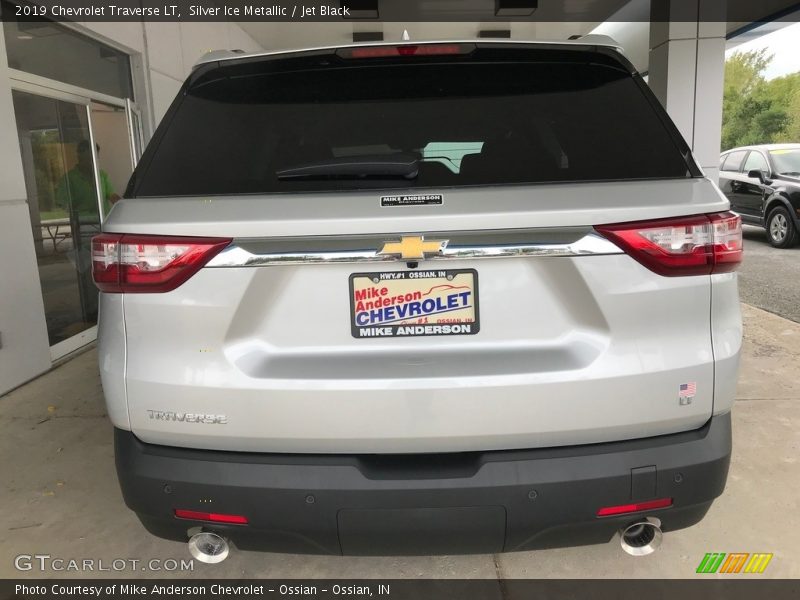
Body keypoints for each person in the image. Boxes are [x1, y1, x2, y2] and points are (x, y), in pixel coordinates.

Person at [56, 140, 121, 220]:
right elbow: (62, 204)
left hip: (104, 220)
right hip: (82, 224)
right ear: (79, 157)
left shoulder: (102, 175)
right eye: (88, 158)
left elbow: (112, 195)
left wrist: (123, 205)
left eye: (95, 158)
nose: (92, 162)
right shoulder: (69, 178)